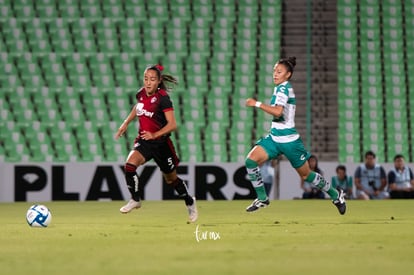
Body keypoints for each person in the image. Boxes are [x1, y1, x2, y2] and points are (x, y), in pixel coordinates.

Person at [243, 56, 346, 215]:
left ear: (288, 74)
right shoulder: (280, 87)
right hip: (274, 138)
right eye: (274, 71)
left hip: (290, 141)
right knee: (250, 161)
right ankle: (262, 198)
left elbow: (278, 111)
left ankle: (335, 194)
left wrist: (256, 104)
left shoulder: (284, 88)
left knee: (306, 176)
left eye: (279, 71)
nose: (275, 74)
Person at [115, 64, 198, 222]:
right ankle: (135, 199)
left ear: (159, 81)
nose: (148, 82)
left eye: (152, 79)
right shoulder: (141, 93)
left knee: (171, 179)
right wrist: (126, 123)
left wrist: (155, 134)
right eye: (146, 79)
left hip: (161, 145)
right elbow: (138, 107)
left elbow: (172, 124)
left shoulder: (163, 99)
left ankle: (189, 201)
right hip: (145, 141)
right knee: (129, 166)